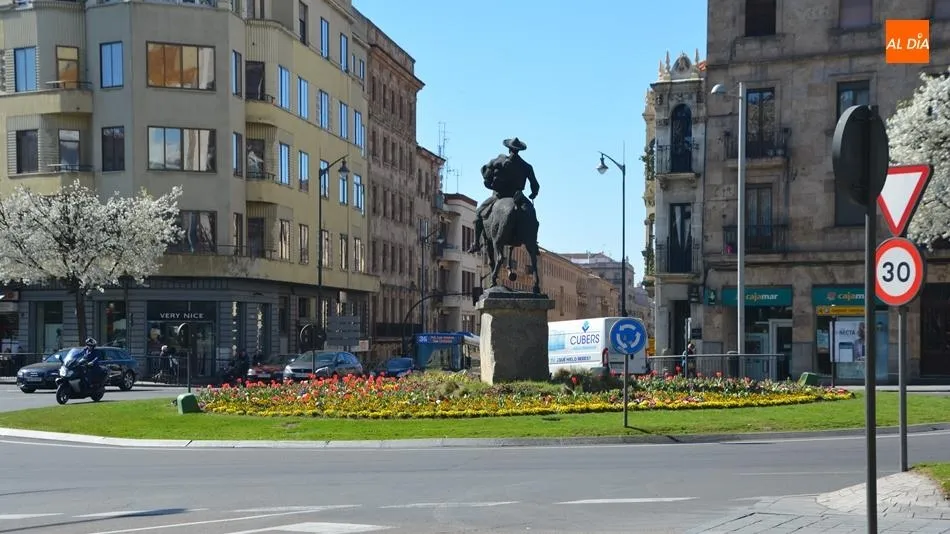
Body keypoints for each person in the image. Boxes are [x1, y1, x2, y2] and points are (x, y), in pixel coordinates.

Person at [468, 137, 541, 254]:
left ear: (509, 149)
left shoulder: (499, 161)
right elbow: (535, 186)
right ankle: (533, 243)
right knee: (533, 218)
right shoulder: (526, 166)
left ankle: (476, 243)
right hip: (518, 197)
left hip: (499, 196)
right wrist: (533, 194)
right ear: (519, 150)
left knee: (478, 214)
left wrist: (491, 183)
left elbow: (486, 176)